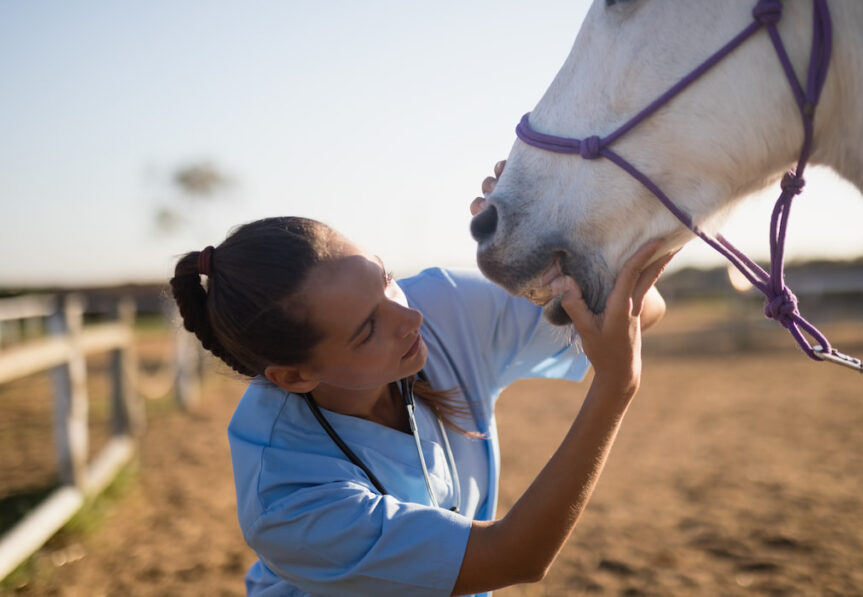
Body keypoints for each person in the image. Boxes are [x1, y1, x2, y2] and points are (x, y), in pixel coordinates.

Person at [168, 163, 673, 596]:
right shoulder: (285, 498)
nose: (409, 318)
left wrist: (560, 250)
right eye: (367, 329)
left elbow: (642, 310)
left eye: (385, 277)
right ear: (295, 376)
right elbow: (514, 557)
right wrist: (614, 388)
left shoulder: (441, 303)